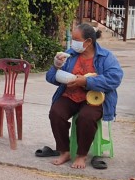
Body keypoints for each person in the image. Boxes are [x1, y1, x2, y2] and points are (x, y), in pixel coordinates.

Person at [45, 23, 123, 169]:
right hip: (71, 95)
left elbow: (115, 78)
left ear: (88, 42)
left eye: (76, 40)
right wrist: (56, 66)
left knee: (86, 117)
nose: (72, 43)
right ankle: (64, 151)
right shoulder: (70, 54)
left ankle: (82, 155)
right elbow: (50, 78)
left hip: (94, 98)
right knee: (56, 113)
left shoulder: (106, 57)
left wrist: (87, 81)